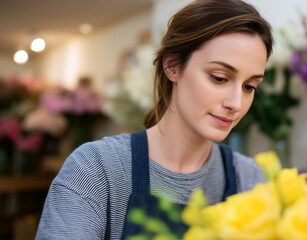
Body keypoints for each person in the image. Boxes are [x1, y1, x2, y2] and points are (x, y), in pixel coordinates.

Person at [36, 0, 273, 239]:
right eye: (219, 78)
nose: (236, 103)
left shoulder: (251, 180)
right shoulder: (95, 169)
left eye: (249, 86)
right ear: (172, 66)